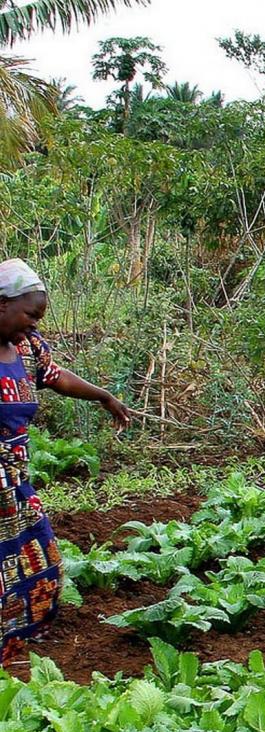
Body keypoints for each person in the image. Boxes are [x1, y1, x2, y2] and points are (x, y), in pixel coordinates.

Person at [0, 259, 129, 663]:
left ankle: (13, 645)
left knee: (41, 562)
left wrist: (103, 396)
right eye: (30, 314)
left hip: (14, 482)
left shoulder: (26, 348)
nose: (34, 325)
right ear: (2, 304)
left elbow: (55, 376)